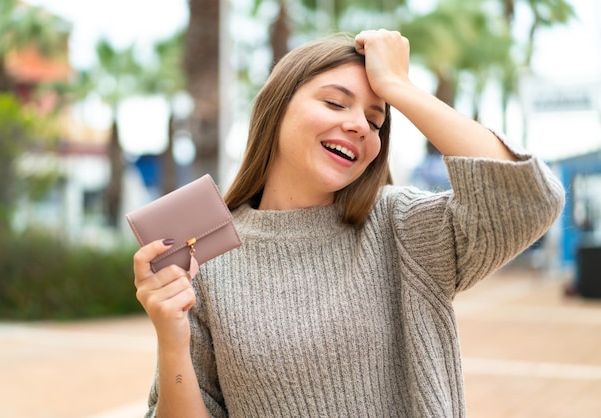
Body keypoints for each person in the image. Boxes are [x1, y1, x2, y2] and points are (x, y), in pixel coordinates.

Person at [133, 30, 565, 417]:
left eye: (376, 120)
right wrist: (172, 341)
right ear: (276, 108)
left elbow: (528, 198)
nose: (359, 125)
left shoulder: (402, 226)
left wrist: (400, 86)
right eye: (336, 102)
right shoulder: (204, 256)